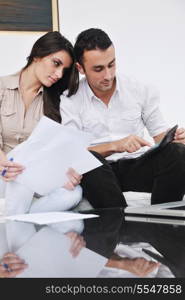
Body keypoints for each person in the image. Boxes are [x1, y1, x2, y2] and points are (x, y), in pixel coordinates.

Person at [60, 28, 185, 209]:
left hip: (137, 166)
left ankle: (163, 225)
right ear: (80, 68)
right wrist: (115, 146)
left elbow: (160, 137)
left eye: (111, 64)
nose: (108, 75)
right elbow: (73, 153)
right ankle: (121, 227)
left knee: (178, 153)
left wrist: (175, 140)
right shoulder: (70, 99)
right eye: (98, 69)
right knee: (89, 160)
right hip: (99, 173)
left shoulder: (139, 89)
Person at [0, 32, 86, 277]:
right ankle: (24, 227)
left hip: (34, 179)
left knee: (74, 191)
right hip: (3, 175)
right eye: (56, 64)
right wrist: (3, 162)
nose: (58, 74)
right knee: (18, 171)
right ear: (38, 55)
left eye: (64, 70)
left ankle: (18, 223)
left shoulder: (56, 101)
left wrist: (67, 171)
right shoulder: (1, 87)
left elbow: (57, 150)